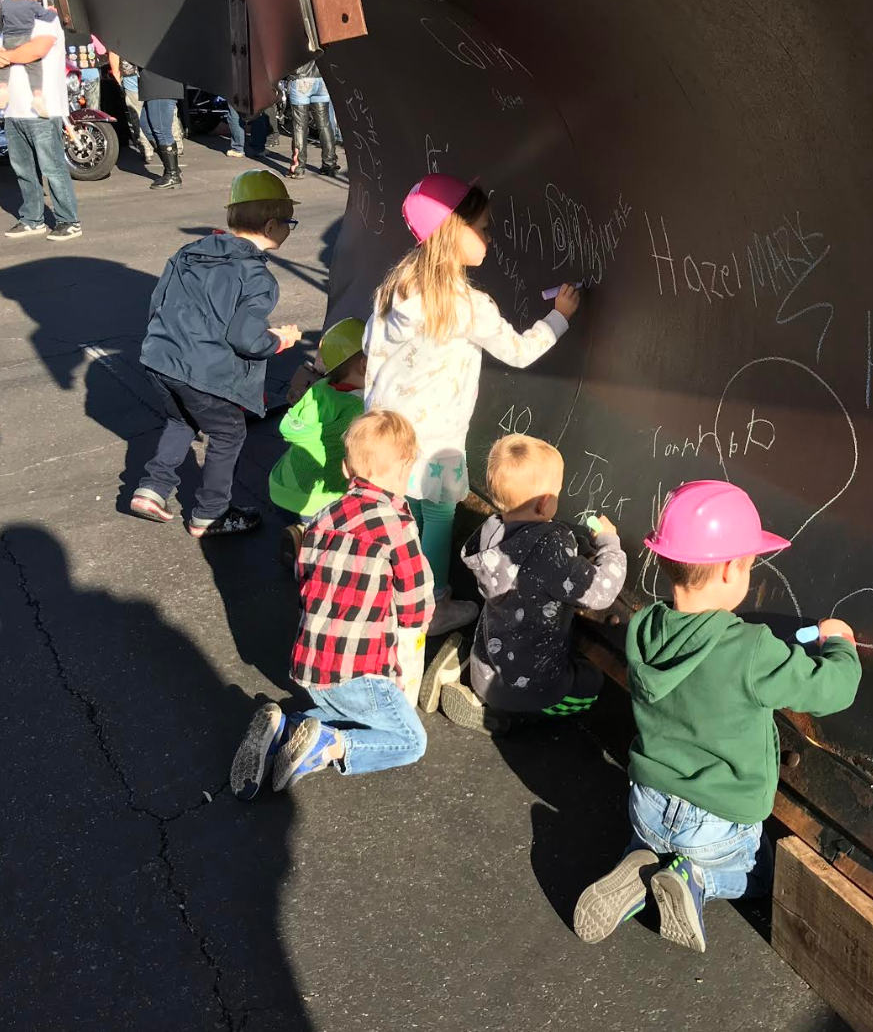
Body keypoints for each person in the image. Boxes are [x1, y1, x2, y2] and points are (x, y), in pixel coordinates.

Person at [573, 481, 862, 953]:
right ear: (731, 569)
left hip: (647, 805)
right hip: (715, 825)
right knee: (761, 873)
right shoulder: (751, 650)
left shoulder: (644, 628)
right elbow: (832, 690)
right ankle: (697, 880)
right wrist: (841, 642)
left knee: (656, 839)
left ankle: (640, 862)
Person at [364, 174, 581, 613]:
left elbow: (372, 346)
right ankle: (432, 601)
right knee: (440, 513)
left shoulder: (398, 286)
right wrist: (560, 317)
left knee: (413, 506)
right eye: (483, 228)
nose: (490, 237)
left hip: (392, 429)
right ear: (452, 232)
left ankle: (404, 583)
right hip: (438, 434)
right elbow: (518, 351)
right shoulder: (466, 304)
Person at [229, 409, 434, 799]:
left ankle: (285, 729)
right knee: (409, 740)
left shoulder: (324, 516)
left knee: (348, 712)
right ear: (406, 472)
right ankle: (330, 746)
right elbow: (416, 600)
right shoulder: (397, 525)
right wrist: (412, 629)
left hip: (308, 664)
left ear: (345, 469)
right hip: (360, 671)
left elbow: (304, 575)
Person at [129, 170, 302, 537]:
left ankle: (152, 488)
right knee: (229, 434)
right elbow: (245, 337)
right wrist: (279, 341)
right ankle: (211, 512)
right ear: (272, 226)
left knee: (180, 420)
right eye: (290, 223)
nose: (290, 229)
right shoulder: (257, 277)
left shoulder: (190, 253)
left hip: (160, 357)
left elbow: (158, 302)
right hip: (203, 371)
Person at [422, 433, 627, 729]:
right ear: (544, 504)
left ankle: (464, 674)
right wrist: (610, 545)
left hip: (489, 663)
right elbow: (600, 592)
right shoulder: (548, 551)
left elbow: (537, 559)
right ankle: (495, 718)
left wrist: (572, 545)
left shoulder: (490, 534)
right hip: (528, 687)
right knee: (589, 687)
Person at [268, 316, 368, 568]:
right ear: (365, 366)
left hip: (282, 484)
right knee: (330, 539)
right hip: (317, 495)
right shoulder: (357, 408)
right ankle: (306, 549)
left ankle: (303, 529)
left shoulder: (319, 388)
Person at [0, 0, 82, 242]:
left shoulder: (46, 21)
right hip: (14, 110)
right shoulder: (8, 24)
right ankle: (32, 218)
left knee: (52, 167)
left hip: (43, 109)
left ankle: (69, 220)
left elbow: (37, 50)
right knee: (23, 169)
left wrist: (8, 56)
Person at [0, 0, 58, 117]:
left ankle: (37, 97)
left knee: (34, 65)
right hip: (11, 113)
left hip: (38, 119)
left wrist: (5, 56)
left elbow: (35, 51)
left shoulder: (44, 22)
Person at [286, 56, 338, 178]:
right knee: (324, 124)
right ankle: (330, 164)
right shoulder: (320, 36)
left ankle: (298, 166)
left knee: (300, 126)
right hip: (320, 78)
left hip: (300, 78)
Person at [140, 66, 185, 190]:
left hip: (161, 84)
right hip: (151, 84)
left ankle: (173, 175)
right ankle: (171, 166)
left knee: (161, 130)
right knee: (146, 125)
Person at [108, 50, 153, 163]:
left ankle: (146, 149)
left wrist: (120, 85)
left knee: (136, 114)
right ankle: (175, 143)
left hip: (130, 79)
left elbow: (115, 70)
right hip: (150, 78)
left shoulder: (116, 42)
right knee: (160, 110)